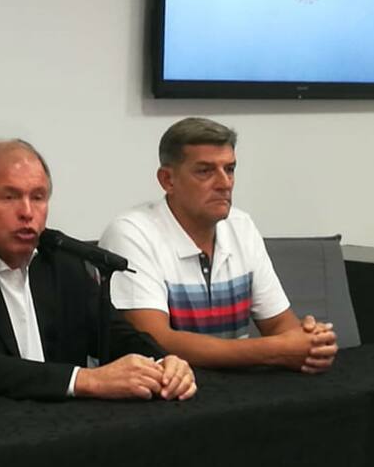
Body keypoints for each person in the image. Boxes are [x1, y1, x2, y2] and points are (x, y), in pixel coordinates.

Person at [0, 139, 196, 401]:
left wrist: (164, 362)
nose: (27, 213)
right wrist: (84, 380)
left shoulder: (61, 259)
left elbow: (113, 333)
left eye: (38, 197)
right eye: (10, 197)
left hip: (52, 432)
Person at [99, 117, 338, 373]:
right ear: (168, 180)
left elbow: (281, 325)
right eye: (205, 171)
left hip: (236, 392)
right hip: (162, 396)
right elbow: (155, 341)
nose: (224, 183)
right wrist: (276, 350)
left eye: (230, 169)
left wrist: (311, 342)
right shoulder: (132, 233)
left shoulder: (241, 226)